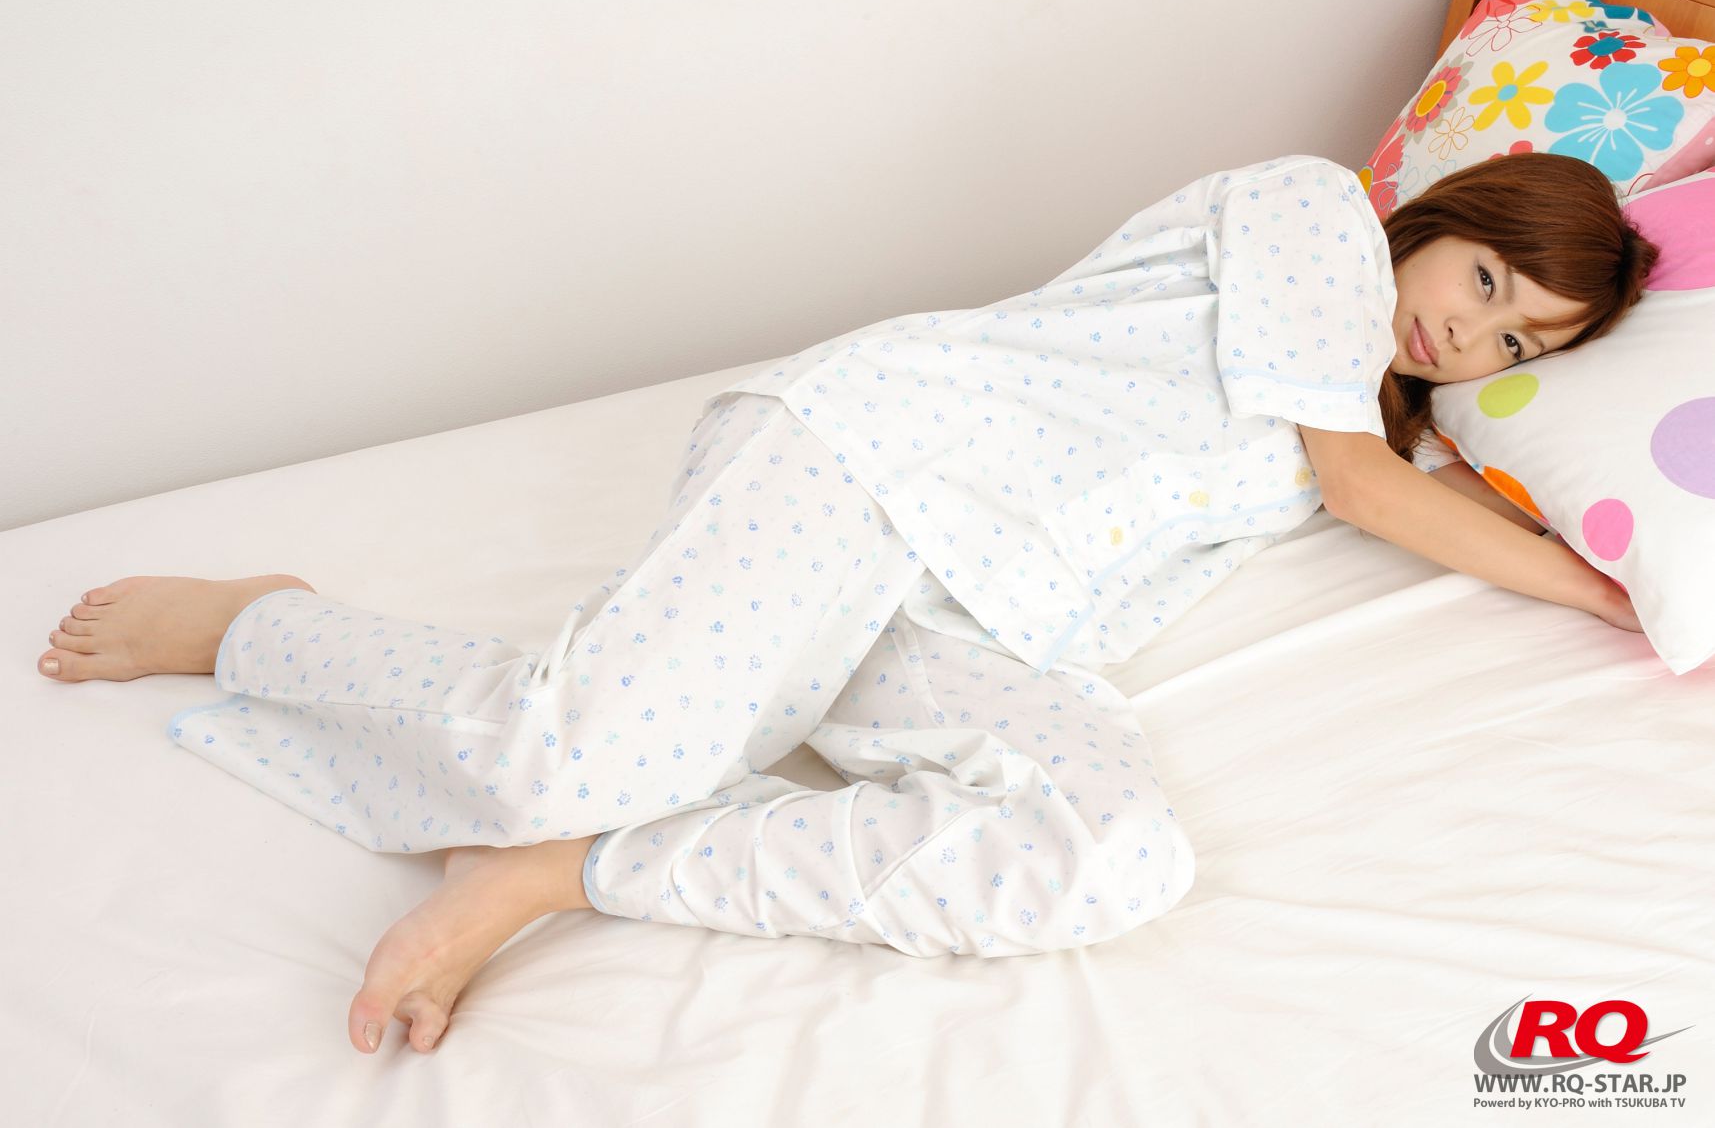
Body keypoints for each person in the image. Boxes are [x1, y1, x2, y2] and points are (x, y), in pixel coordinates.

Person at [32, 152, 1657, 1056]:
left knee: (1115, 854)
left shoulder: (1365, 439)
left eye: (1519, 343)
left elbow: (1405, 486)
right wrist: (1609, 587)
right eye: (1488, 282)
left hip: (980, 620)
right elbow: (1372, 490)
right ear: (1448, 220)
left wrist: (1636, 554)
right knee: (564, 747)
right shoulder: (1316, 218)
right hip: (871, 462)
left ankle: (565, 868)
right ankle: (263, 623)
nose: (1472, 338)